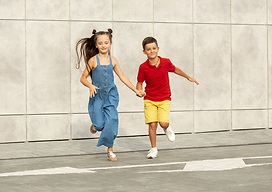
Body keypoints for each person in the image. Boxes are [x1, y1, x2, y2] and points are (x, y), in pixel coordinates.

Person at [76, 29, 145, 161]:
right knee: (100, 125)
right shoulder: (93, 60)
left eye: (106, 43)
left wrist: (136, 90)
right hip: (97, 96)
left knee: (112, 121)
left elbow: (122, 77)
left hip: (111, 96)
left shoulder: (113, 60)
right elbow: (83, 78)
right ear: (96, 45)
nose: (103, 46)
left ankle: (110, 149)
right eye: (100, 43)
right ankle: (95, 126)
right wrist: (90, 85)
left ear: (110, 44)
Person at [136, 37, 199, 159]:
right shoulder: (143, 67)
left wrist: (188, 77)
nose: (152, 51)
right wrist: (139, 91)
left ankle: (167, 128)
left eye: (154, 48)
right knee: (152, 124)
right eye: (148, 49)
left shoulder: (165, 62)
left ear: (158, 49)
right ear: (144, 52)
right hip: (149, 99)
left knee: (163, 123)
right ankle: (153, 149)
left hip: (164, 98)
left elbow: (175, 69)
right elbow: (139, 82)